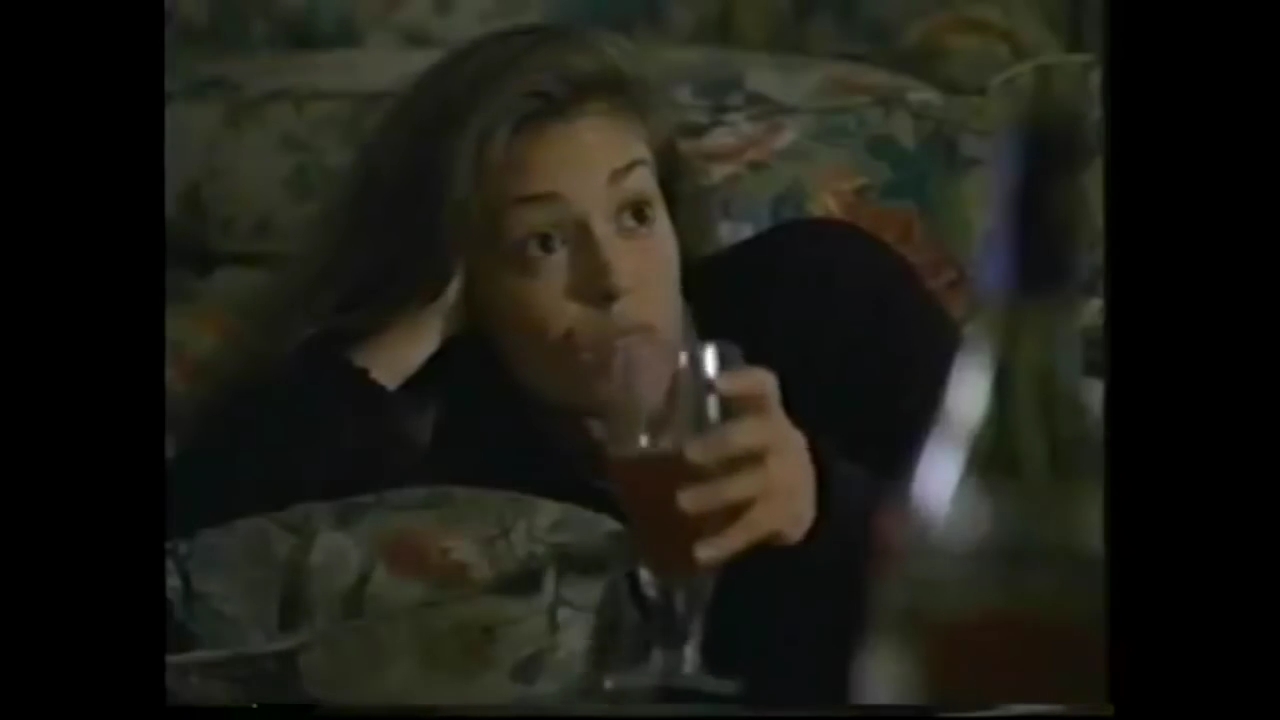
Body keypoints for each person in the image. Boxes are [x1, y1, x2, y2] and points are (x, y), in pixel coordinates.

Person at [166, 24, 959, 706]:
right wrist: (400, 330)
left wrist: (822, 507)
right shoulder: (445, 428)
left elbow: (1007, 579)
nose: (612, 279)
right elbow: (195, 569)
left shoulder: (823, 304)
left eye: (635, 214)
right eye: (543, 243)